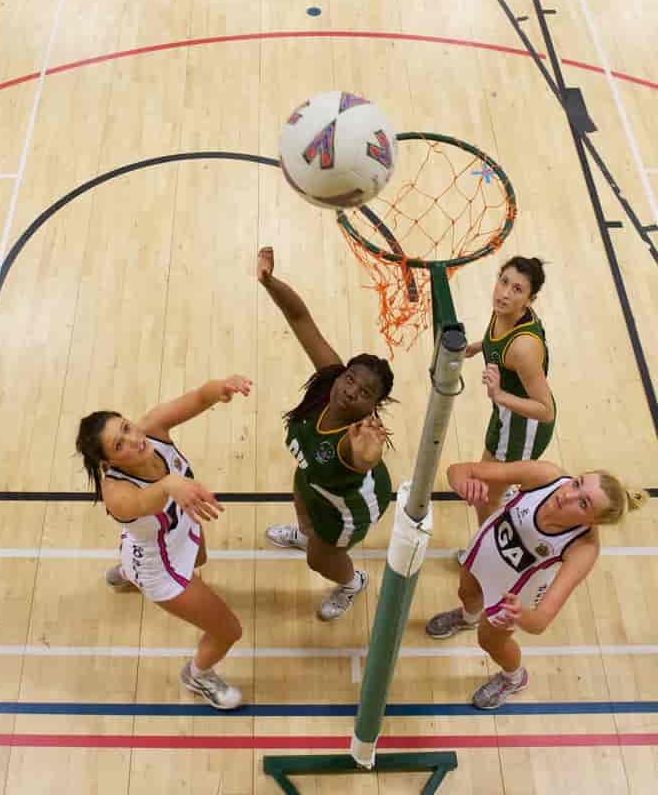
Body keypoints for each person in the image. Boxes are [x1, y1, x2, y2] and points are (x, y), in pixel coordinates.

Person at [75, 375, 252, 709]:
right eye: (118, 445)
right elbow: (145, 503)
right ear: (107, 463)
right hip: (161, 570)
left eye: (125, 428)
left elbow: (198, 397)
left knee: (199, 560)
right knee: (229, 630)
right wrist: (171, 483)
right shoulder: (117, 495)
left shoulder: (151, 428)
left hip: (173, 533)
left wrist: (220, 390)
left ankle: (127, 573)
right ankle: (197, 676)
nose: (132, 439)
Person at [426, 458, 647, 709]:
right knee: (466, 593)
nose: (568, 496)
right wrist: (463, 483)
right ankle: (468, 617)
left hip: (513, 595)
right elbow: (459, 470)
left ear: (591, 522)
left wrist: (520, 615)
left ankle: (514, 677)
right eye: (577, 484)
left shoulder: (583, 549)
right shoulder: (545, 475)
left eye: (583, 503)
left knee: (489, 641)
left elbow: (540, 622)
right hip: (482, 554)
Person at [257, 245, 395, 620]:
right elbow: (300, 318)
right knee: (302, 488)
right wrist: (270, 281)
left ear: (372, 407)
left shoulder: (356, 438)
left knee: (320, 559)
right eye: (351, 379)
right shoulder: (328, 381)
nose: (351, 391)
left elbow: (366, 458)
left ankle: (353, 582)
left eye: (365, 393)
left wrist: (368, 452)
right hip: (316, 481)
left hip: (349, 508)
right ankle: (305, 534)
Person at [465, 256, 555, 524]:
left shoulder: (523, 347)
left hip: (523, 428)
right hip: (506, 415)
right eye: (503, 282)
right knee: (485, 483)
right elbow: (498, 339)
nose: (505, 293)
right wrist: (479, 346)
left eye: (517, 289)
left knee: (483, 494)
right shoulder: (505, 310)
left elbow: (546, 410)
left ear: (529, 300)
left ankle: (482, 560)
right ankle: (505, 493)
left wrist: (499, 395)